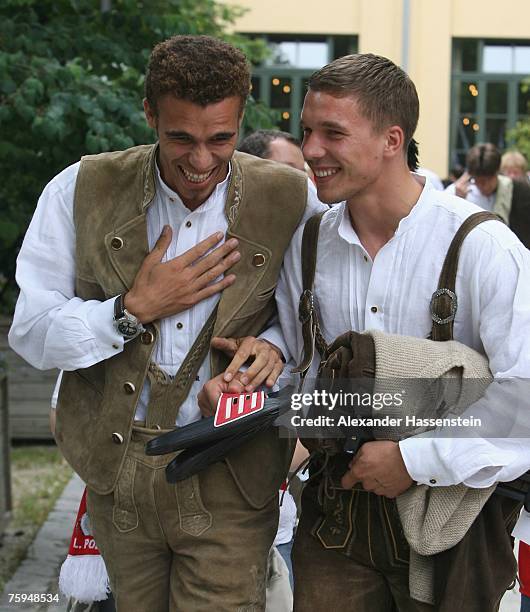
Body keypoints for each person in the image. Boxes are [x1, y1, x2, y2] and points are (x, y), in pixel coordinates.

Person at [203, 53, 530, 610]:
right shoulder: (308, 244)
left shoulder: (483, 246)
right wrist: (263, 359)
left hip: (449, 526)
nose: (310, 151)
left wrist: (413, 460)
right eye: (307, 131)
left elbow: (522, 401)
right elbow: (302, 358)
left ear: (391, 139)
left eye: (333, 133)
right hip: (332, 520)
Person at [8, 35, 324, 611]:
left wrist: (271, 350)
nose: (201, 161)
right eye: (181, 137)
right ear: (150, 112)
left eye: (220, 138)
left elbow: (316, 322)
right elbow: (30, 331)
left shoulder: (292, 198)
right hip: (116, 472)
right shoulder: (80, 188)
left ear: (240, 118)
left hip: (234, 469)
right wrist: (129, 311)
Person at [446, 142, 530, 246]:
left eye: (489, 180)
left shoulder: (512, 190)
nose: (484, 186)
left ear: (497, 172)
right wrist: (458, 201)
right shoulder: (455, 193)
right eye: (479, 181)